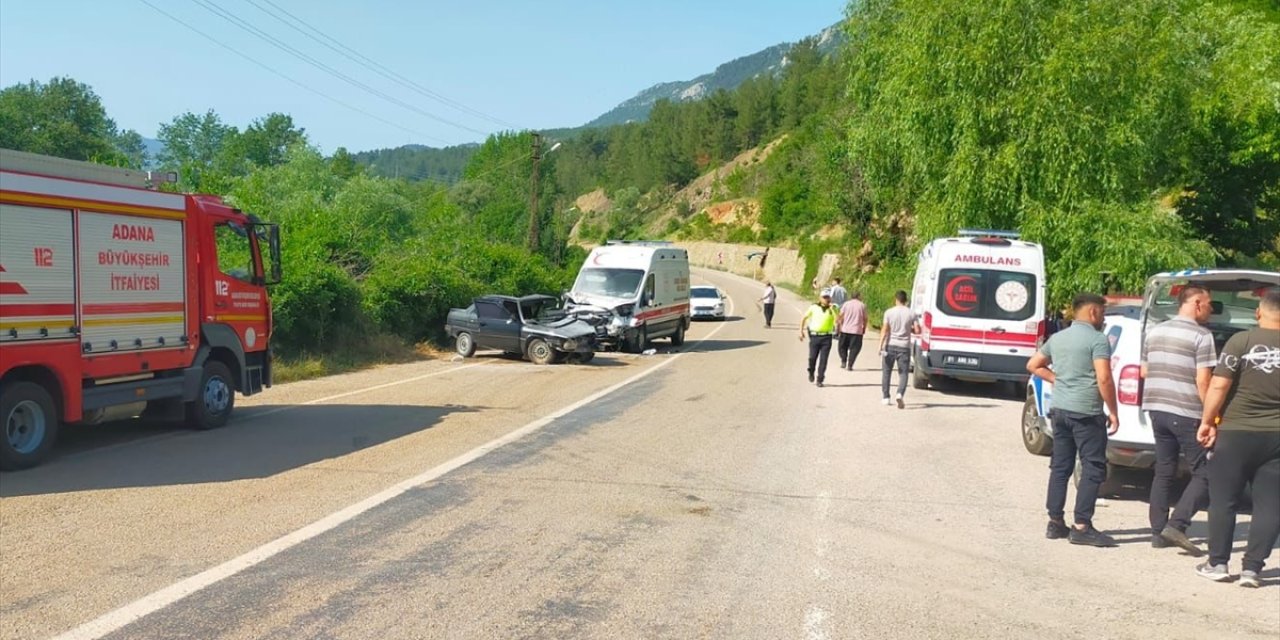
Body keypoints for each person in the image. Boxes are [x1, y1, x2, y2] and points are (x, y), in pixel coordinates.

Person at [1195, 287, 1280, 588]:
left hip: (1235, 432)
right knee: (1270, 503)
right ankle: (1253, 570)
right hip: (1277, 438)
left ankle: (1218, 563)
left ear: (1259, 312)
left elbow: (1218, 386)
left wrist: (1207, 421)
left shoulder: (1241, 341)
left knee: (1224, 499)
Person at [1026, 293, 1119, 547]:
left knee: (1060, 467)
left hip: (1060, 410)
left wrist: (1058, 380)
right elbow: (1104, 378)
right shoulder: (1098, 340)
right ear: (1092, 312)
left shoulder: (1058, 338)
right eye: (1102, 311)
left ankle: (1055, 522)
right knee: (1092, 467)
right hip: (1086, 413)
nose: (1103, 316)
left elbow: (1033, 364)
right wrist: (1113, 410)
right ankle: (1082, 526)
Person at [1143, 285, 1215, 553]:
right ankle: (1177, 524)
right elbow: (1203, 381)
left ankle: (1157, 532)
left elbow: (1143, 370)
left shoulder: (1155, 331)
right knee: (1206, 472)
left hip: (1156, 408)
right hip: (1186, 411)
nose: (1211, 309)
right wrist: (1211, 417)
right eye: (1209, 304)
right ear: (1196, 303)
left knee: (1164, 469)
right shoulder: (1202, 336)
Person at [878, 290, 918, 408]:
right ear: (906, 300)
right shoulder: (911, 313)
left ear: (896, 299)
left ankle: (886, 397)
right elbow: (917, 330)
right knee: (903, 373)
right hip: (904, 346)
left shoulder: (889, 312)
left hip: (890, 345)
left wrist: (880, 345)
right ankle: (900, 393)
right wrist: (908, 329)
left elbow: (885, 329)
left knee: (886, 372)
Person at [800, 289, 839, 387]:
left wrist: (832, 310)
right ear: (820, 298)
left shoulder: (833, 308)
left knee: (823, 360)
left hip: (827, 337)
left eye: (828, 297)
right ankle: (811, 371)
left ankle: (820, 379)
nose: (826, 299)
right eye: (824, 297)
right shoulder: (814, 307)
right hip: (815, 336)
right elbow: (804, 318)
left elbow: (838, 321)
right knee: (812, 357)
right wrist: (801, 331)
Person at [836, 291, 868, 371]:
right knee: (855, 348)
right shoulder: (862, 305)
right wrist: (864, 327)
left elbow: (840, 315)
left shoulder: (846, 304)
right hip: (857, 331)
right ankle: (850, 364)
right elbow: (865, 318)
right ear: (858, 296)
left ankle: (843, 360)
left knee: (842, 347)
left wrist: (838, 325)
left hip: (845, 329)